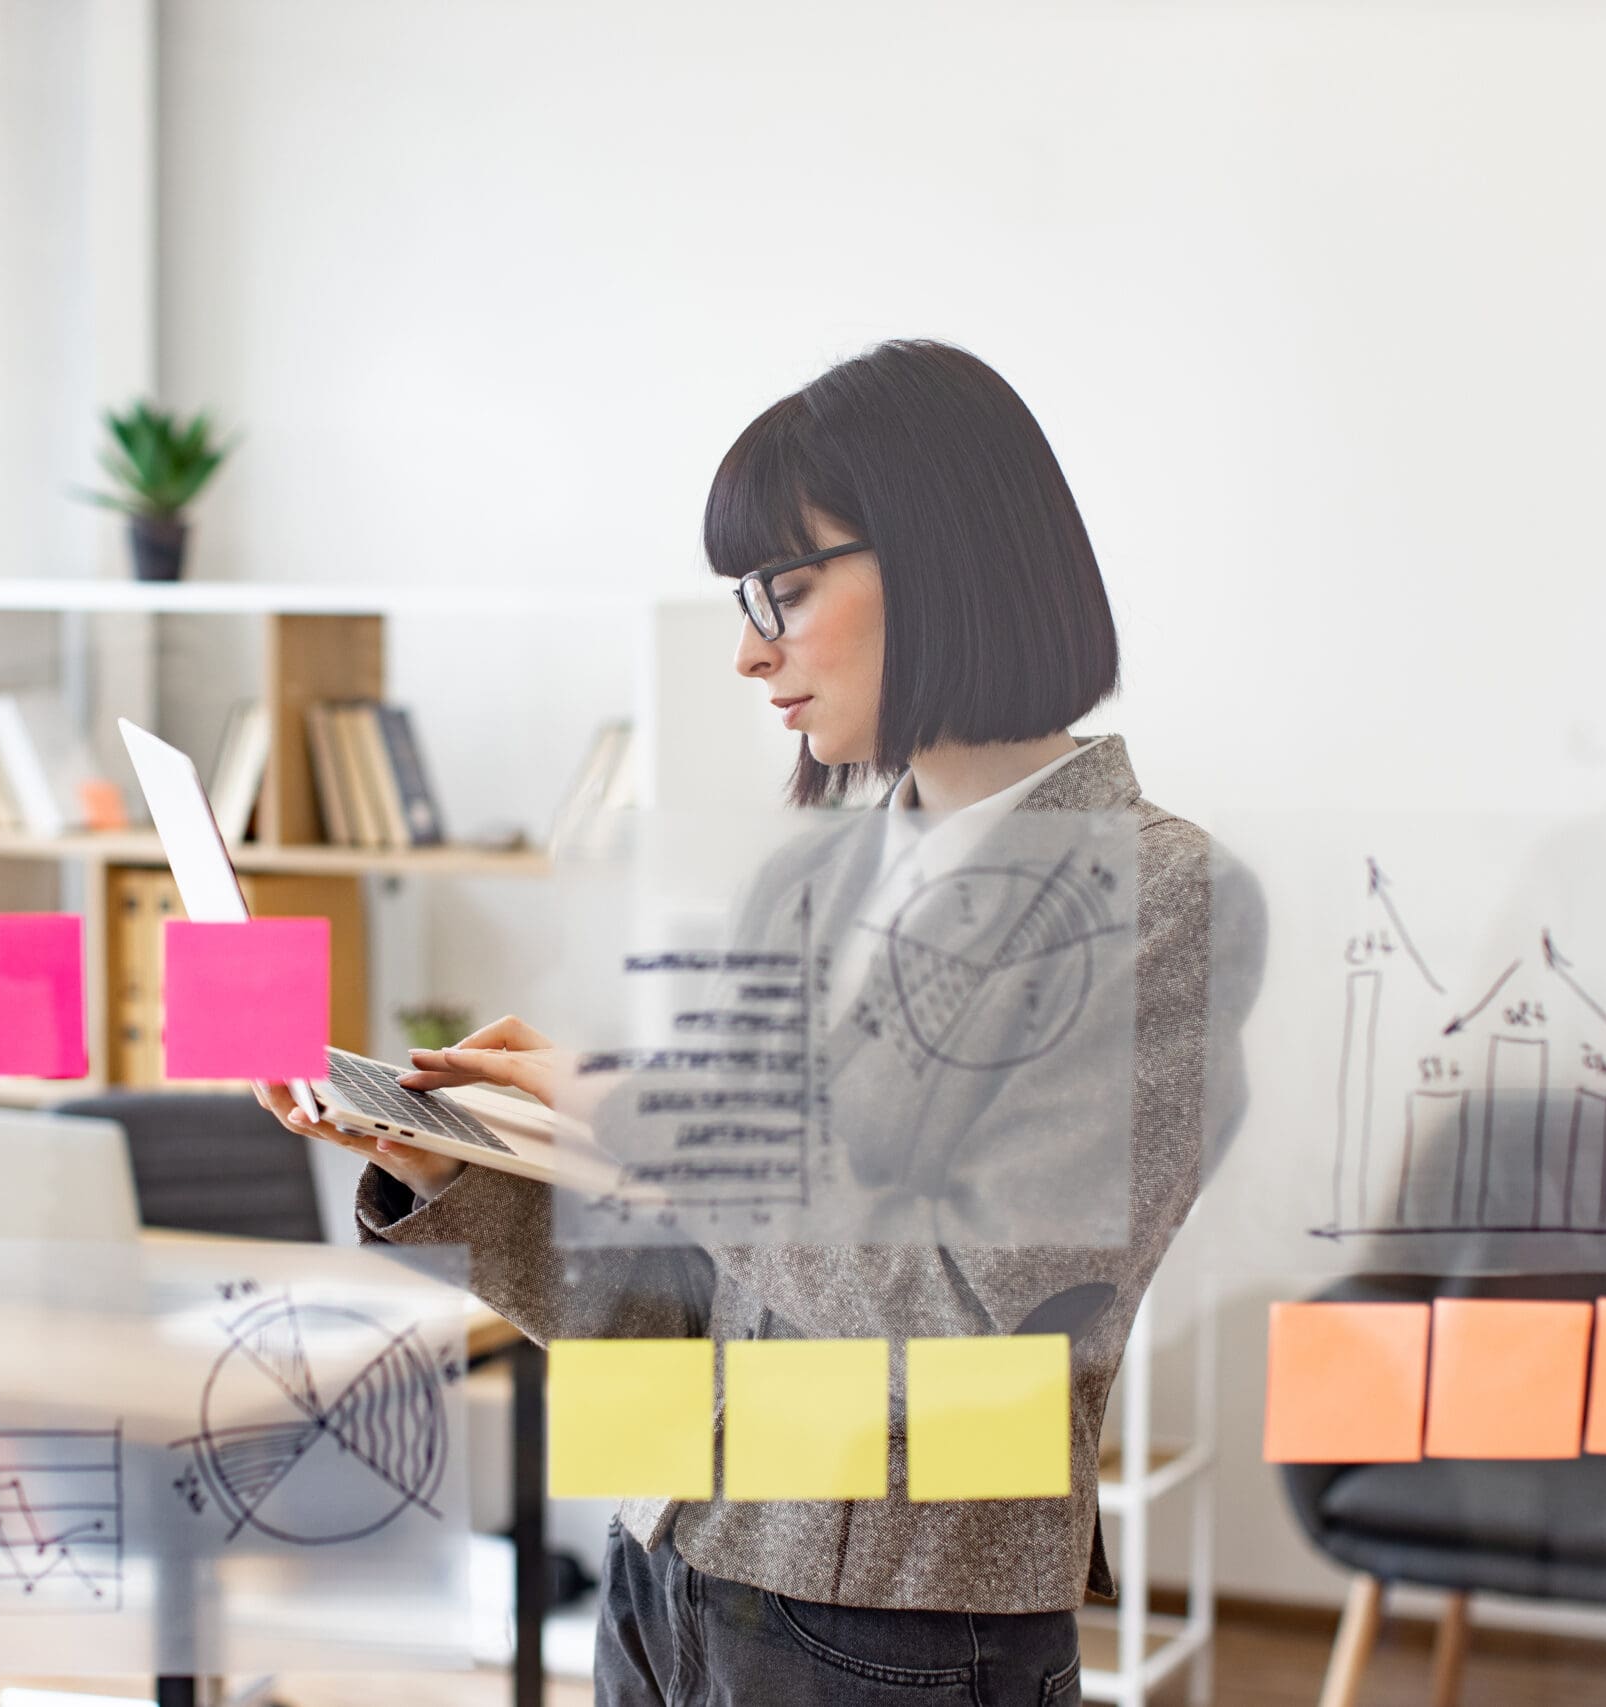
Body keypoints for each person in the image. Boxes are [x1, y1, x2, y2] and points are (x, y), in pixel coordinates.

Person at [257, 339, 1246, 1706]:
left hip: (887, 1633)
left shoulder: (1149, 894)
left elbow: (976, 1327)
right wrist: (454, 1174)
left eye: (784, 588)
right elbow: (705, 1309)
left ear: (944, 559)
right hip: (666, 1576)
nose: (747, 647)